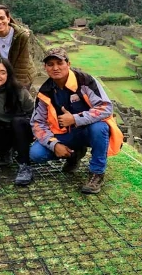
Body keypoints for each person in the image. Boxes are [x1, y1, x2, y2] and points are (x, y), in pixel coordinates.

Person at [29, 47, 123, 194]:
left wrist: (75, 119)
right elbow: (37, 123)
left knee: (100, 127)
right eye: (50, 64)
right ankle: (74, 155)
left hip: (88, 131)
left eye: (59, 63)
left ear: (68, 63)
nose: (55, 68)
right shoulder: (45, 91)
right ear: (45, 67)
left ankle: (97, 173)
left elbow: (105, 108)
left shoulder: (85, 81)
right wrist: (54, 145)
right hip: (64, 135)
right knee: (36, 153)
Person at [0, 5, 34, 88]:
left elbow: (22, 63)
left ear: (8, 18)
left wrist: (17, 86)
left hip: (22, 74)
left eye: (2, 18)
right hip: (1, 74)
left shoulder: (21, 36)